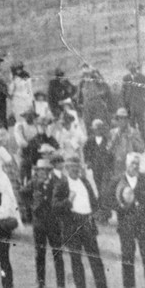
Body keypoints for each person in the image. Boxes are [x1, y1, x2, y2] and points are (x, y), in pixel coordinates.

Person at [52, 156, 108, 288]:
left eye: (77, 167)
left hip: (87, 222)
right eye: (72, 167)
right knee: (76, 261)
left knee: (95, 259)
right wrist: (68, 201)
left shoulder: (85, 181)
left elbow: (94, 201)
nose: (75, 170)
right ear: (66, 168)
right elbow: (54, 206)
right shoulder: (62, 184)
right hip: (72, 225)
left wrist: (95, 214)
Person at [20, 158, 65, 288]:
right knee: (40, 255)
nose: (43, 173)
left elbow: (64, 197)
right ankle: (41, 283)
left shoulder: (57, 182)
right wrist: (32, 206)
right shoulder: (33, 183)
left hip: (54, 224)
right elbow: (22, 193)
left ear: (50, 171)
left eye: (46, 170)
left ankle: (61, 284)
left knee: (58, 254)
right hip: (39, 224)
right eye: (40, 170)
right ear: (37, 171)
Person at [114, 152, 145, 288]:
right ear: (126, 164)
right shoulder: (116, 180)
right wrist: (121, 205)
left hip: (143, 224)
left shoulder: (144, 179)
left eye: (137, 164)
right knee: (127, 258)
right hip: (126, 225)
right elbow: (107, 200)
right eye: (133, 163)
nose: (135, 166)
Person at [84, 119, 113, 221]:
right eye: (96, 129)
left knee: (103, 189)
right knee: (98, 188)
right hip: (96, 168)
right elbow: (85, 151)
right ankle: (100, 211)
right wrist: (88, 161)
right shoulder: (90, 140)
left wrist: (110, 165)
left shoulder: (106, 140)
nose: (98, 131)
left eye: (100, 129)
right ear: (93, 130)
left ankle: (105, 213)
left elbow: (111, 153)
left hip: (105, 168)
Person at [77, 67, 112, 135]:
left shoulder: (96, 81)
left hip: (98, 106)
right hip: (87, 108)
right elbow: (79, 97)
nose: (86, 76)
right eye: (84, 75)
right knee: (89, 126)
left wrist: (103, 101)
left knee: (101, 124)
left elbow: (105, 88)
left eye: (88, 74)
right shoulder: (81, 84)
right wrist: (81, 106)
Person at [109, 108, 145, 175]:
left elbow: (141, 149)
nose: (122, 121)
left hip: (131, 166)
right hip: (117, 167)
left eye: (124, 118)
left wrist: (132, 139)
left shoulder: (134, 132)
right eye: (120, 118)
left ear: (127, 120)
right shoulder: (112, 132)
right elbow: (108, 150)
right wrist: (115, 138)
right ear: (117, 120)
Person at [122, 60, 145, 139]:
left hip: (140, 104)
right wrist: (125, 105)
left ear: (136, 66)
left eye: (133, 65)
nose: (131, 67)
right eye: (129, 66)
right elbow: (124, 92)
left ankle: (143, 140)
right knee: (131, 125)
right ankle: (135, 141)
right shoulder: (125, 78)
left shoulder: (142, 77)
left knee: (141, 123)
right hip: (130, 105)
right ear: (127, 68)